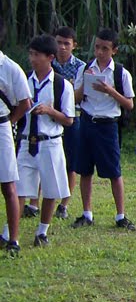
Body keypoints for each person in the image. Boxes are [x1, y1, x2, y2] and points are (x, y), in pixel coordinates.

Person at [12, 35, 75, 248]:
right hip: (26, 141)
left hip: (50, 142)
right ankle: (10, 234)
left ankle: (42, 231)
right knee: (20, 189)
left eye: (36, 55)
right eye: (30, 54)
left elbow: (68, 119)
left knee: (51, 189)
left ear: (50, 57)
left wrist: (49, 110)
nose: (32, 59)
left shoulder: (61, 85)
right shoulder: (24, 80)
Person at [72, 28, 136, 231]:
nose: (99, 52)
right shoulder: (84, 69)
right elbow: (73, 99)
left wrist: (110, 90)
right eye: (97, 47)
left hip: (108, 125)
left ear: (114, 50)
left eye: (105, 48)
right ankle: (86, 213)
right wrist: (86, 83)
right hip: (87, 121)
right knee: (84, 169)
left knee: (113, 171)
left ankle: (120, 215)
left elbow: (129, 104)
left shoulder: (120, 73)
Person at [0, 27, 33, 257]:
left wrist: (11, 121)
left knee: (9, 185)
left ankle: (13, 239)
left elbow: (25, 102)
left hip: (1, 126)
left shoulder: (10, 68)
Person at [50, 26, 87, 219]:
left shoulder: (81, 66)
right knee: (45, 158)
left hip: (74, 118)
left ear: (74, 45)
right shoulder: (48, 62)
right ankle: (34, 202)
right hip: (49, 117)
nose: (62, 47)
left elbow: (78, 97)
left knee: (71, 162)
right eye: (59, 42)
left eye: (67, 43)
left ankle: (64, 204)